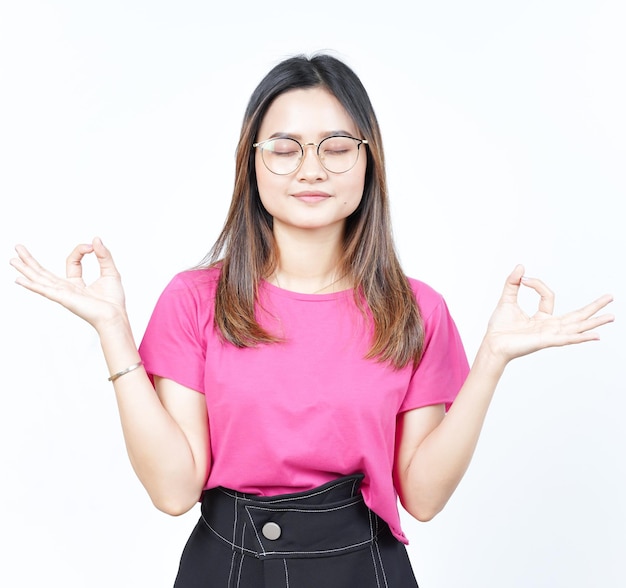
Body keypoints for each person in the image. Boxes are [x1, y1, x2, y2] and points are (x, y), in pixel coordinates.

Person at [10, 53, 614, 588]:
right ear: (251, 161)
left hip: (365, 567)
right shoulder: (194, 300)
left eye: (336, 146)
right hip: (227, 567)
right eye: (284, 147)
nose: (311, 168)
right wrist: (112, 330)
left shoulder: (416, 309)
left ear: (368, 160)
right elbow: (173, 492)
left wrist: (491, 361)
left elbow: (423, 498)